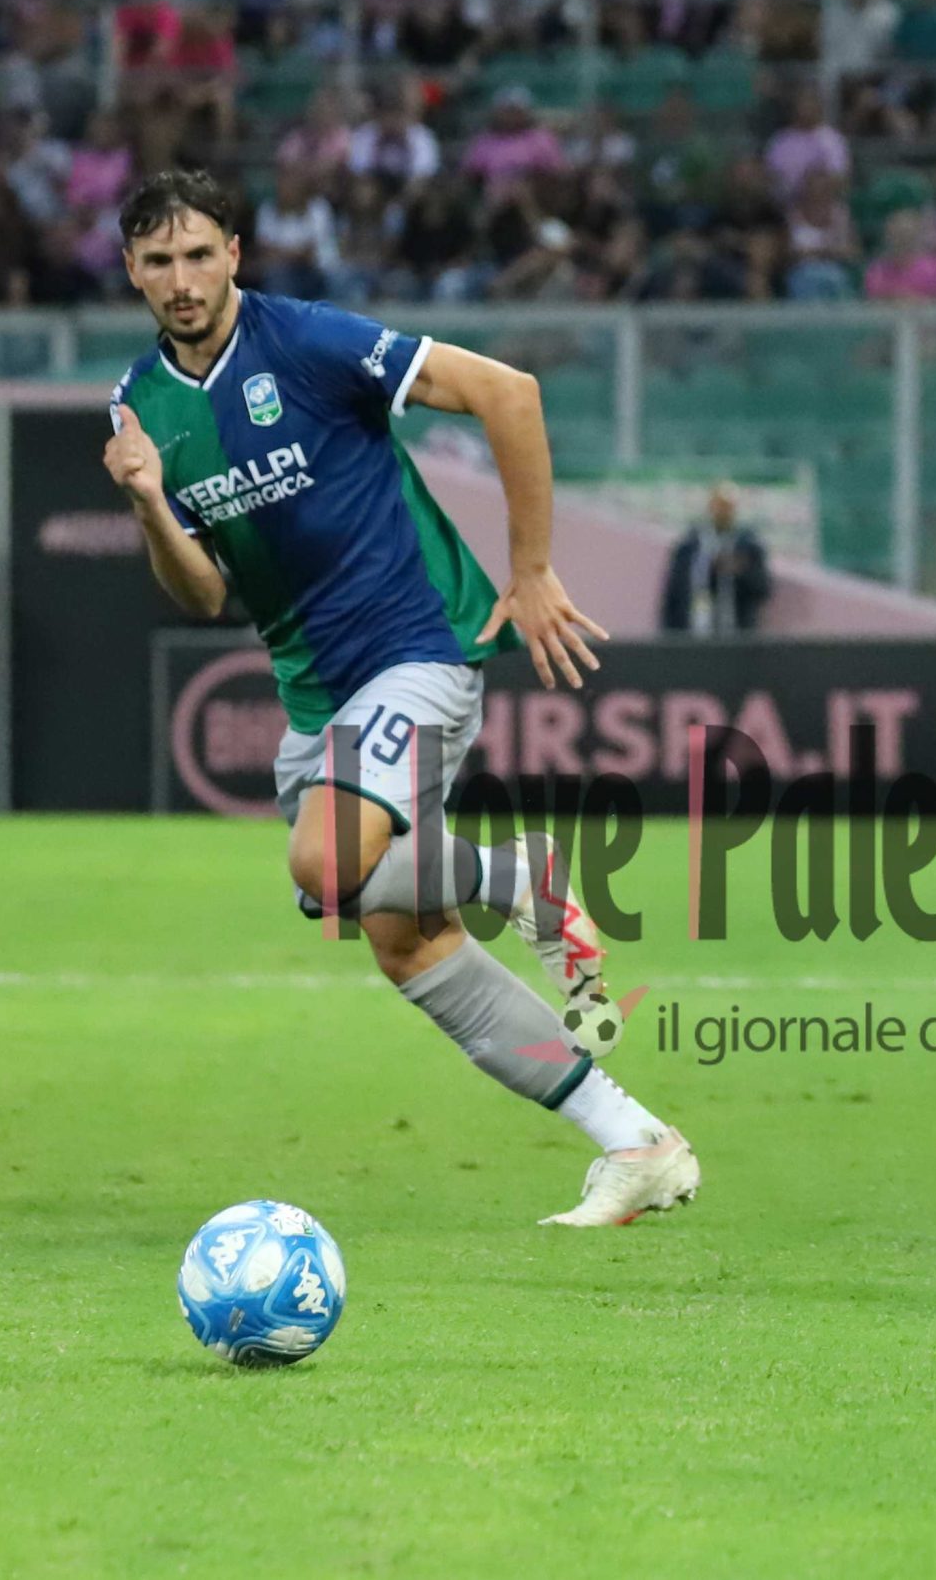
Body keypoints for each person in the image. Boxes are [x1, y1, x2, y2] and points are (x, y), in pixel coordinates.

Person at [101, 170, 696, 1227]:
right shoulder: (138, 407)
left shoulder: (307, 341)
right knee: (407, 942)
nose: (182, 280)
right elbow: (202, 594)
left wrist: (532, 570)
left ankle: (516, 877)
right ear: (131, 271)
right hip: (314, 693)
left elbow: (509, 393)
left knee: (324, 864)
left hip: (416, 645)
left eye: (198, 255)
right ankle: (636, 1143)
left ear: (235, 253)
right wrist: (149, 500)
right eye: (159, 262)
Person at [661, 481, 772, 634]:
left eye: (728, 507)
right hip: (694, 629)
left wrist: (738, 570)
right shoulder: (690, 546)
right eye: (719, 506)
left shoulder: (749, 545)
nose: (723, 512)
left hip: (737, 630)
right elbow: (674, 593)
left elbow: (763, 589)